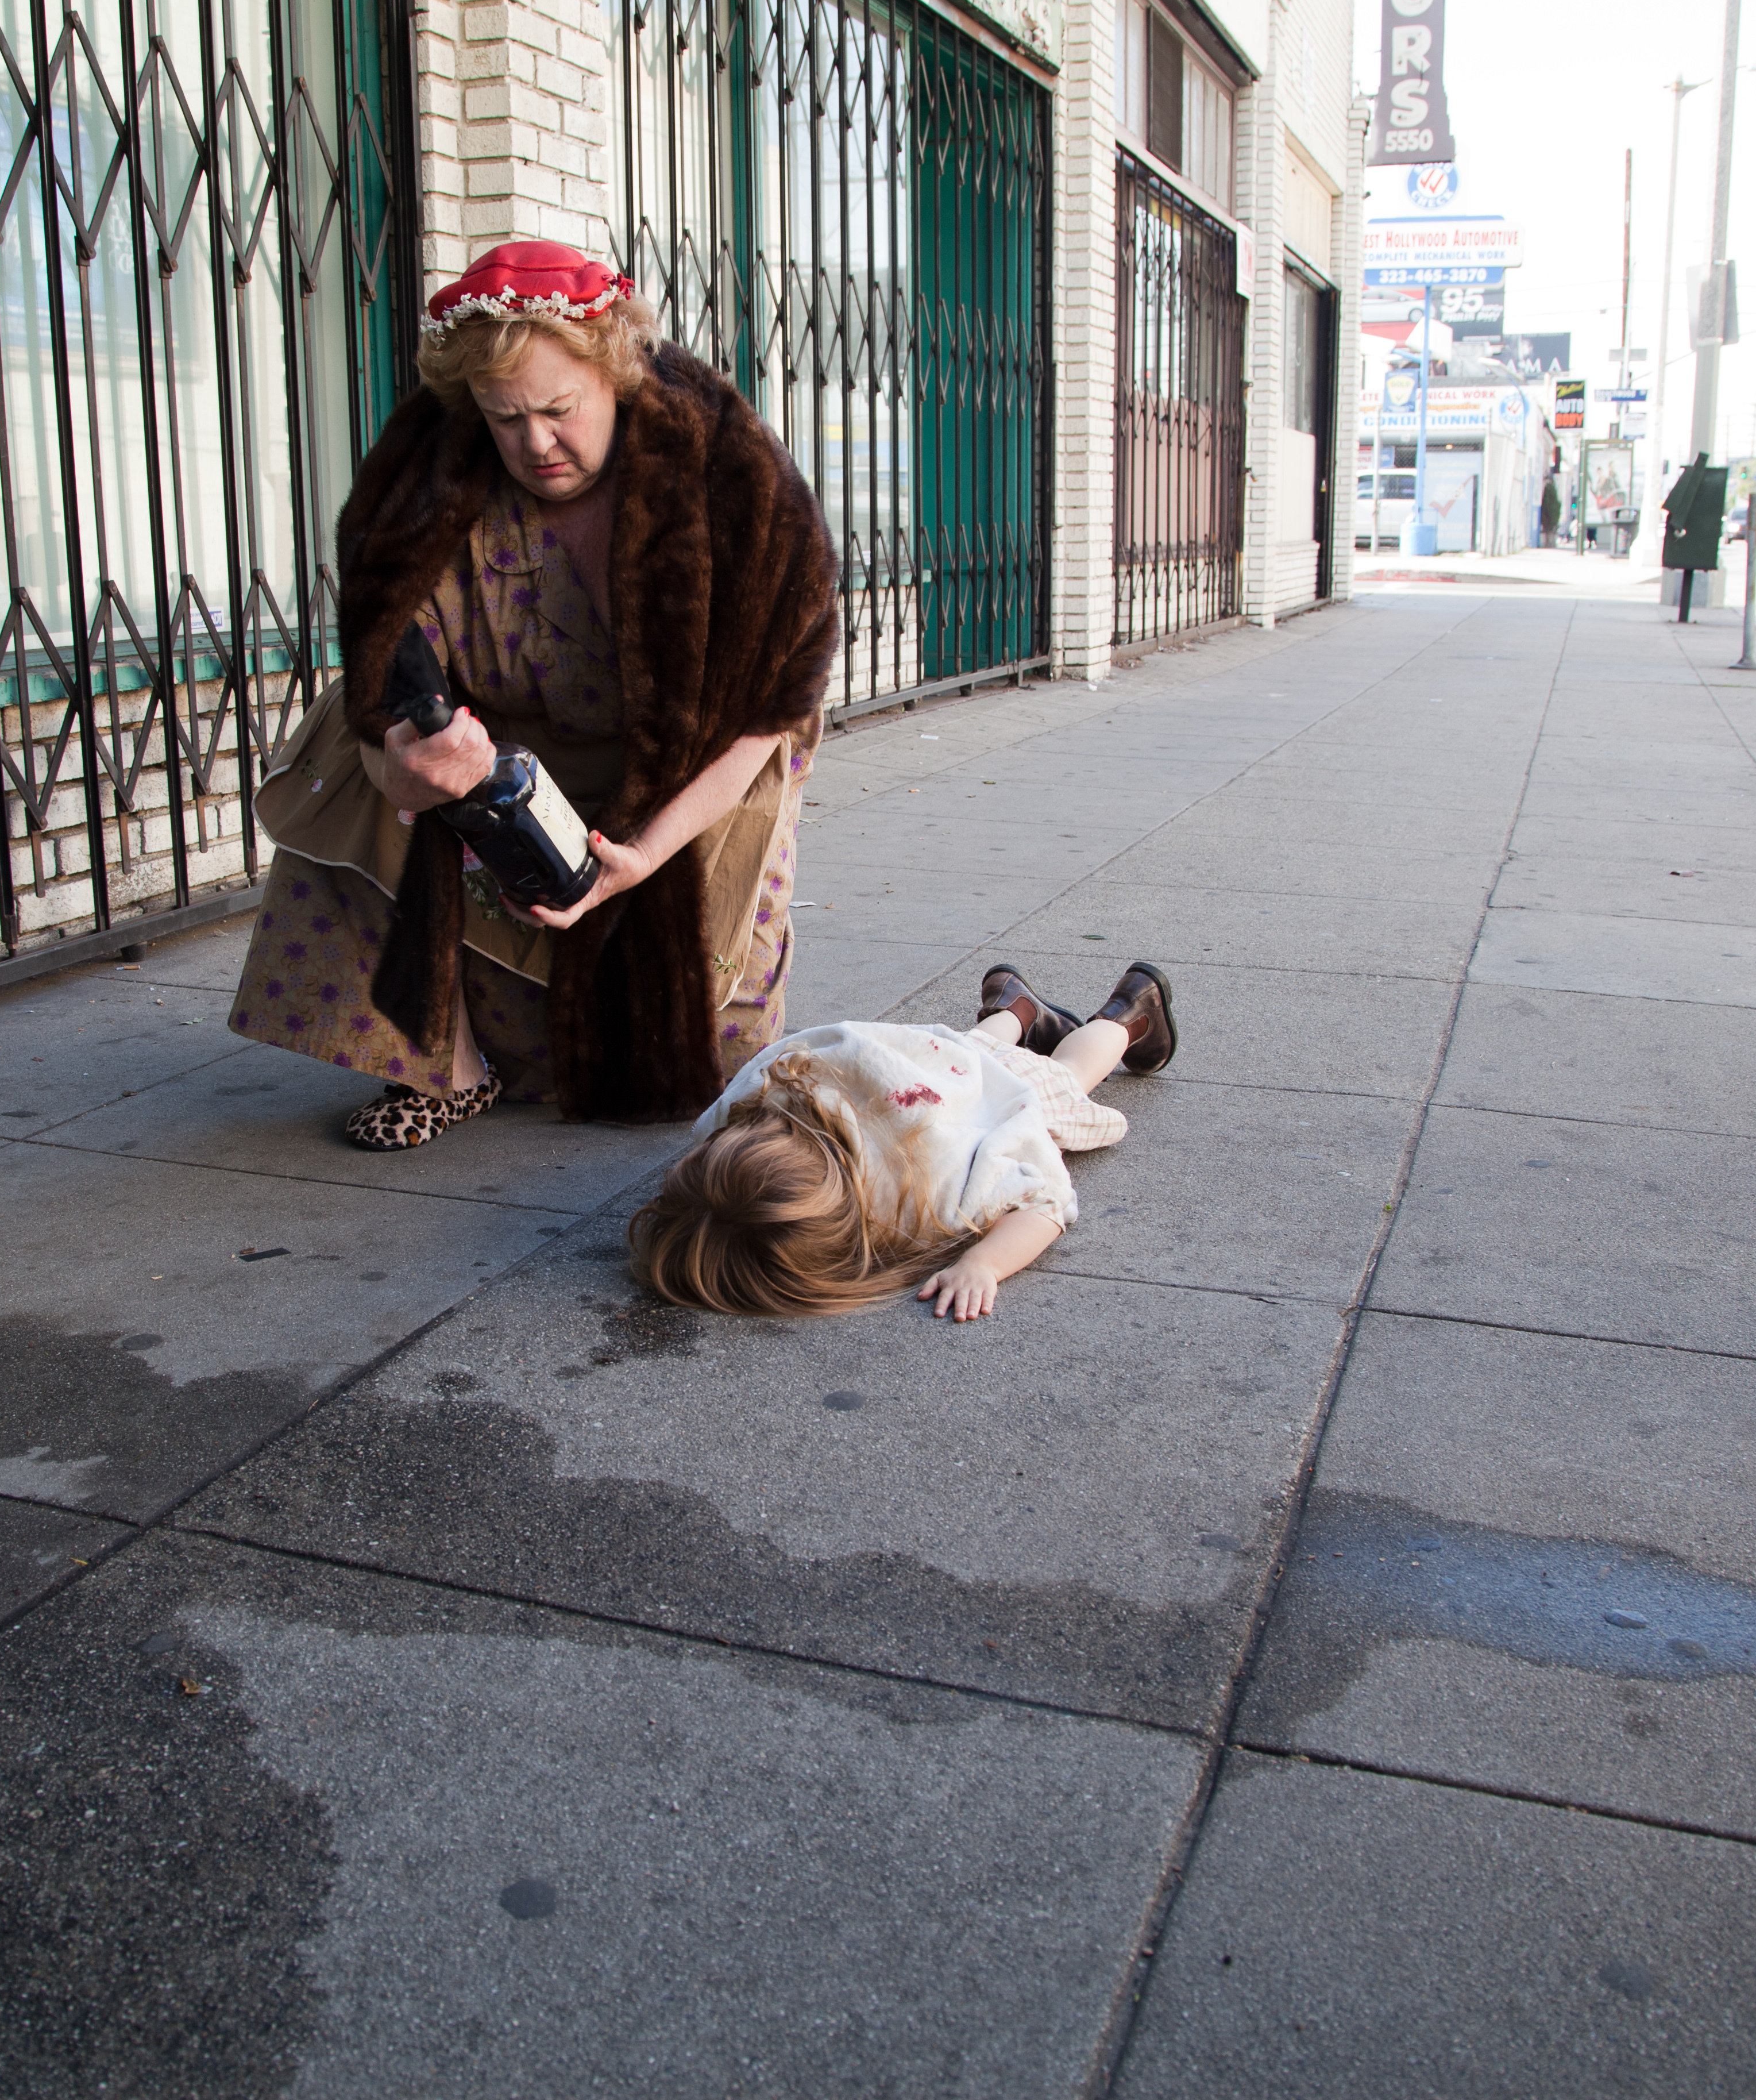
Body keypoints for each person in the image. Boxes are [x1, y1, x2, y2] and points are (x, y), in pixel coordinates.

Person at [235, 242, 838, 1148]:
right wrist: (411, 772)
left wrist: (643, 854)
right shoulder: (428, 483)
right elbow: (379, 676)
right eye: (505, 418)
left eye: (559, 410)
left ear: (617, 374)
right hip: (509, 769)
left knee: (710, 1061)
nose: (536, 444)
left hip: (695, 770)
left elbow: (768, 713)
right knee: (338, 733)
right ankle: (447, 1062)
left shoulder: (728, 473)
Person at [628, 964, 1180, 1322]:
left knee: (1071, 1072)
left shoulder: (926, 1191)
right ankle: (1015, 1012)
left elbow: (1043, 1204)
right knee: (980, 1046)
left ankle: (1129, 1016)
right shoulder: (751, 1111)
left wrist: (985, 1263)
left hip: (997, 1096)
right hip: (935, 1065)